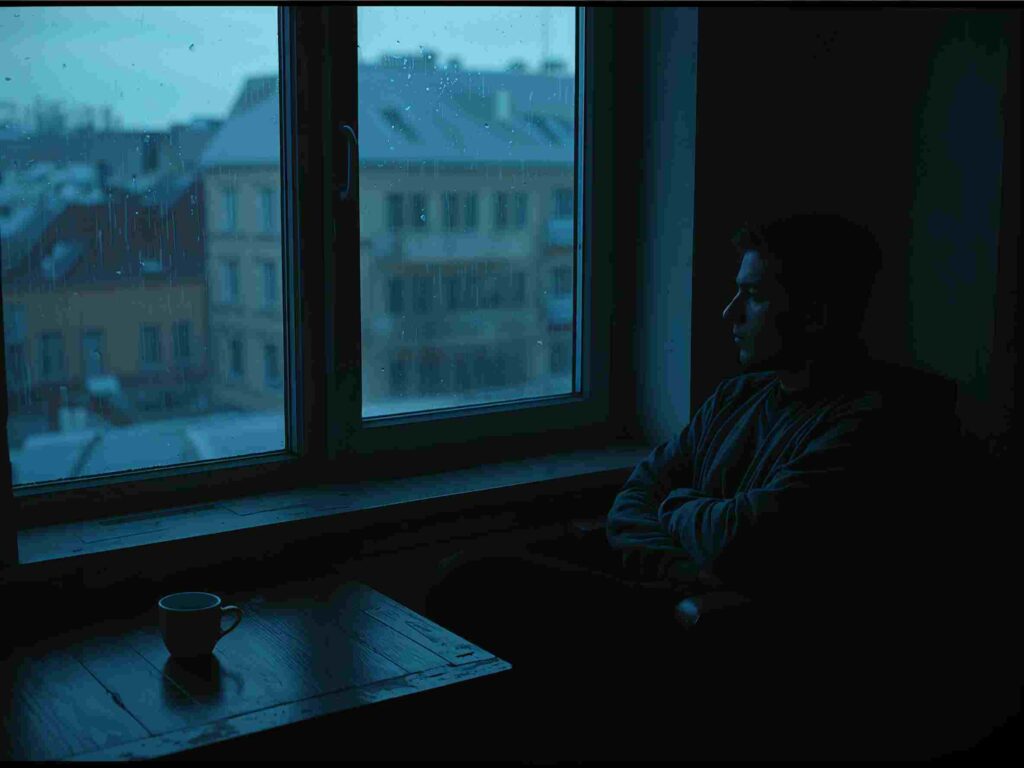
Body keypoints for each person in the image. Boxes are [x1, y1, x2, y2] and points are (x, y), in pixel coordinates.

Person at [423, 213, 911, 758]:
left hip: (704, 625)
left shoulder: (868, 422)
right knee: (461, 575)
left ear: (815, 315)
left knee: (474, 589)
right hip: (670, 586)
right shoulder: (736, 397)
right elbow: (638, 494)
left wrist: (677, 507)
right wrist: (683, 564)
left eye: (752, 296)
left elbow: (741, 537)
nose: (729, 312)